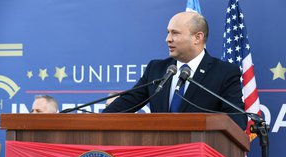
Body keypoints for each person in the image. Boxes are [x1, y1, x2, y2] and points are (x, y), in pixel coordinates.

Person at [103, 11, 247, 130]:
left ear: (198, 37)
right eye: (168, 32)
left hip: (199, 156)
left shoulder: (224, 72)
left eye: (175, 33)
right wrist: (98, 118)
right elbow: (127, 104)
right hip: (161, 155)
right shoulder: (156, 69)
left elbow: (237, 121)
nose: (168, 39)